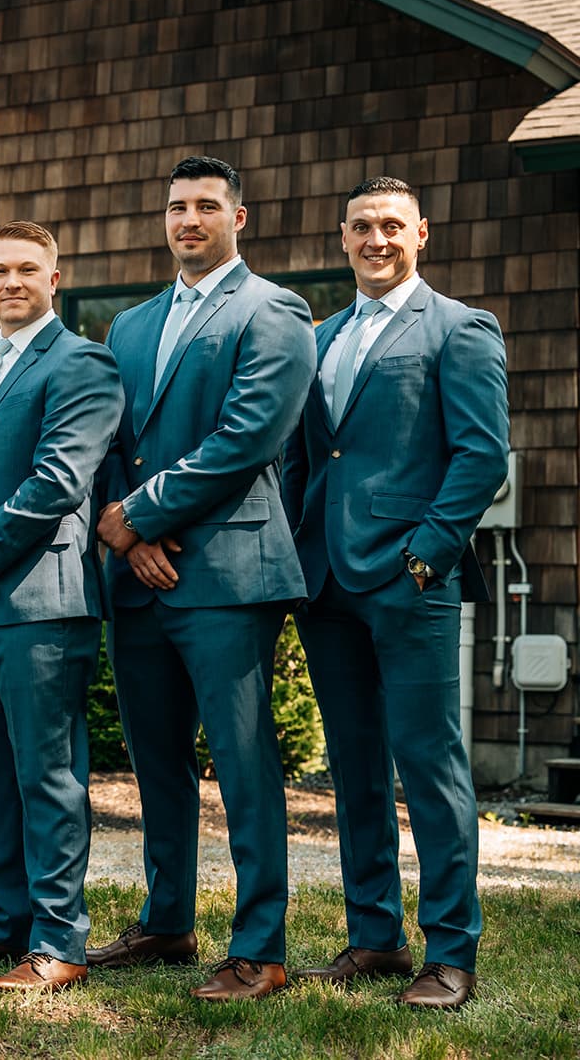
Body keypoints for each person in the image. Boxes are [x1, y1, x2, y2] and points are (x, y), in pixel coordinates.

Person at [91, 156, 316, 1000]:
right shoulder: (130, 325)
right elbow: (109, 439)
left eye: (206, 206)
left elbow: (248, 434)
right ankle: (168, 920)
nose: (190, 218)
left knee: (243, 761)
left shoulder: (275, 310)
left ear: (238, 218)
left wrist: (142, 515)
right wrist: (128, 531)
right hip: (141, 578)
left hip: (227, 571)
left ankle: (260, 946)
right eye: (178, 206)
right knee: (156, 761)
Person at [283, 176, 507, 1010]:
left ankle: (450, 952)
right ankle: (374, 936)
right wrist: (296, 558)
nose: (376, 239)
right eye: (361, 226)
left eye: (392, 226)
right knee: (356, 770)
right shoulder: (320, 336)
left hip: (412, 581)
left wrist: (427, 555)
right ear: (342, 237)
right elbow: (309, 457)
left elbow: (481, 455)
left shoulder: (460, 328)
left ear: (421, 234)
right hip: (327, 583)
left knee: (430, 763)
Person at [0, 220, 123, 993]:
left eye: (27, 269)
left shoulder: (84, 364)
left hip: (41, 601)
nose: (12, 281)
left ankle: (59, 936)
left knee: (48, 774)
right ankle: (6, 919)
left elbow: (59, 480)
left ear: (54, 279)